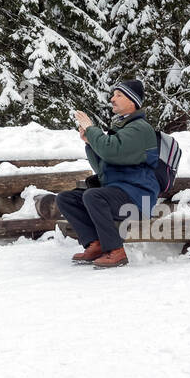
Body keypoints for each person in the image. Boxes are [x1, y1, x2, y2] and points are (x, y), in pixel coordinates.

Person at [56, 78, 160, 269]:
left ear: (132, 101)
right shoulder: (123, 129)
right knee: (66, 198)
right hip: (120, 193)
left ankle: (116, 251)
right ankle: (95, 244)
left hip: (138, 197)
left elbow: (110, 151)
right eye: (113, 95)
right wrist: (90, 143)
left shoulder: (139, 129)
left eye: (119, 95)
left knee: (93, 195)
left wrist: (92, 130)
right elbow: (102, 167)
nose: (112, 99)